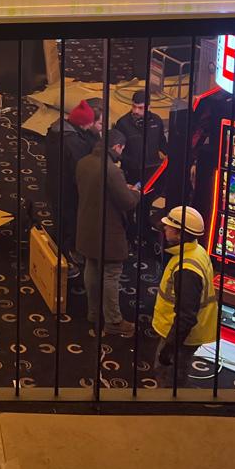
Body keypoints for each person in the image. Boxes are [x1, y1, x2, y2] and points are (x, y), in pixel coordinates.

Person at [75, 129, 141, 337]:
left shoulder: (83, 162)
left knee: (92, 268)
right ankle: (113, 321)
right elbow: (127, 202)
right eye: (122, 149)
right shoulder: (112, 171)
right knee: (111, 275)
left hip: (86, 227)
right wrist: (135, 192)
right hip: (108, 233)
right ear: (117, 147)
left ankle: (94, 313)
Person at [151, 206, 218, 386]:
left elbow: (186, 317)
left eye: (169, 226)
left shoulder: (186, 269)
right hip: (184, 333)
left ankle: (168, 411)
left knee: (169, 378)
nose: (164, 228)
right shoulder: (197, 251)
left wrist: (169, 349)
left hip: (181, 336)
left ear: (180, 234)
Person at [44, 99, 100, 262]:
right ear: (83, 123)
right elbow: (81, 169)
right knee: (70, 223)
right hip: (68, 189)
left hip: (54, 184)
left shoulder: (56, 130)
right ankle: (66, 256)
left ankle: (56, 250)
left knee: (60, 219)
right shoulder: (73, 142)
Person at [115, 90, 166, 185]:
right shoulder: (122, 123)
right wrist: (131, 163)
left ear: (148, 107)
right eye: (134, 106)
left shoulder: (157, 121)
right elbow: (117, 150)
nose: (135, 111)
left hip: (152, 171)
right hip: (131, 173)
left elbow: (162, 143)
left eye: (140, 108)